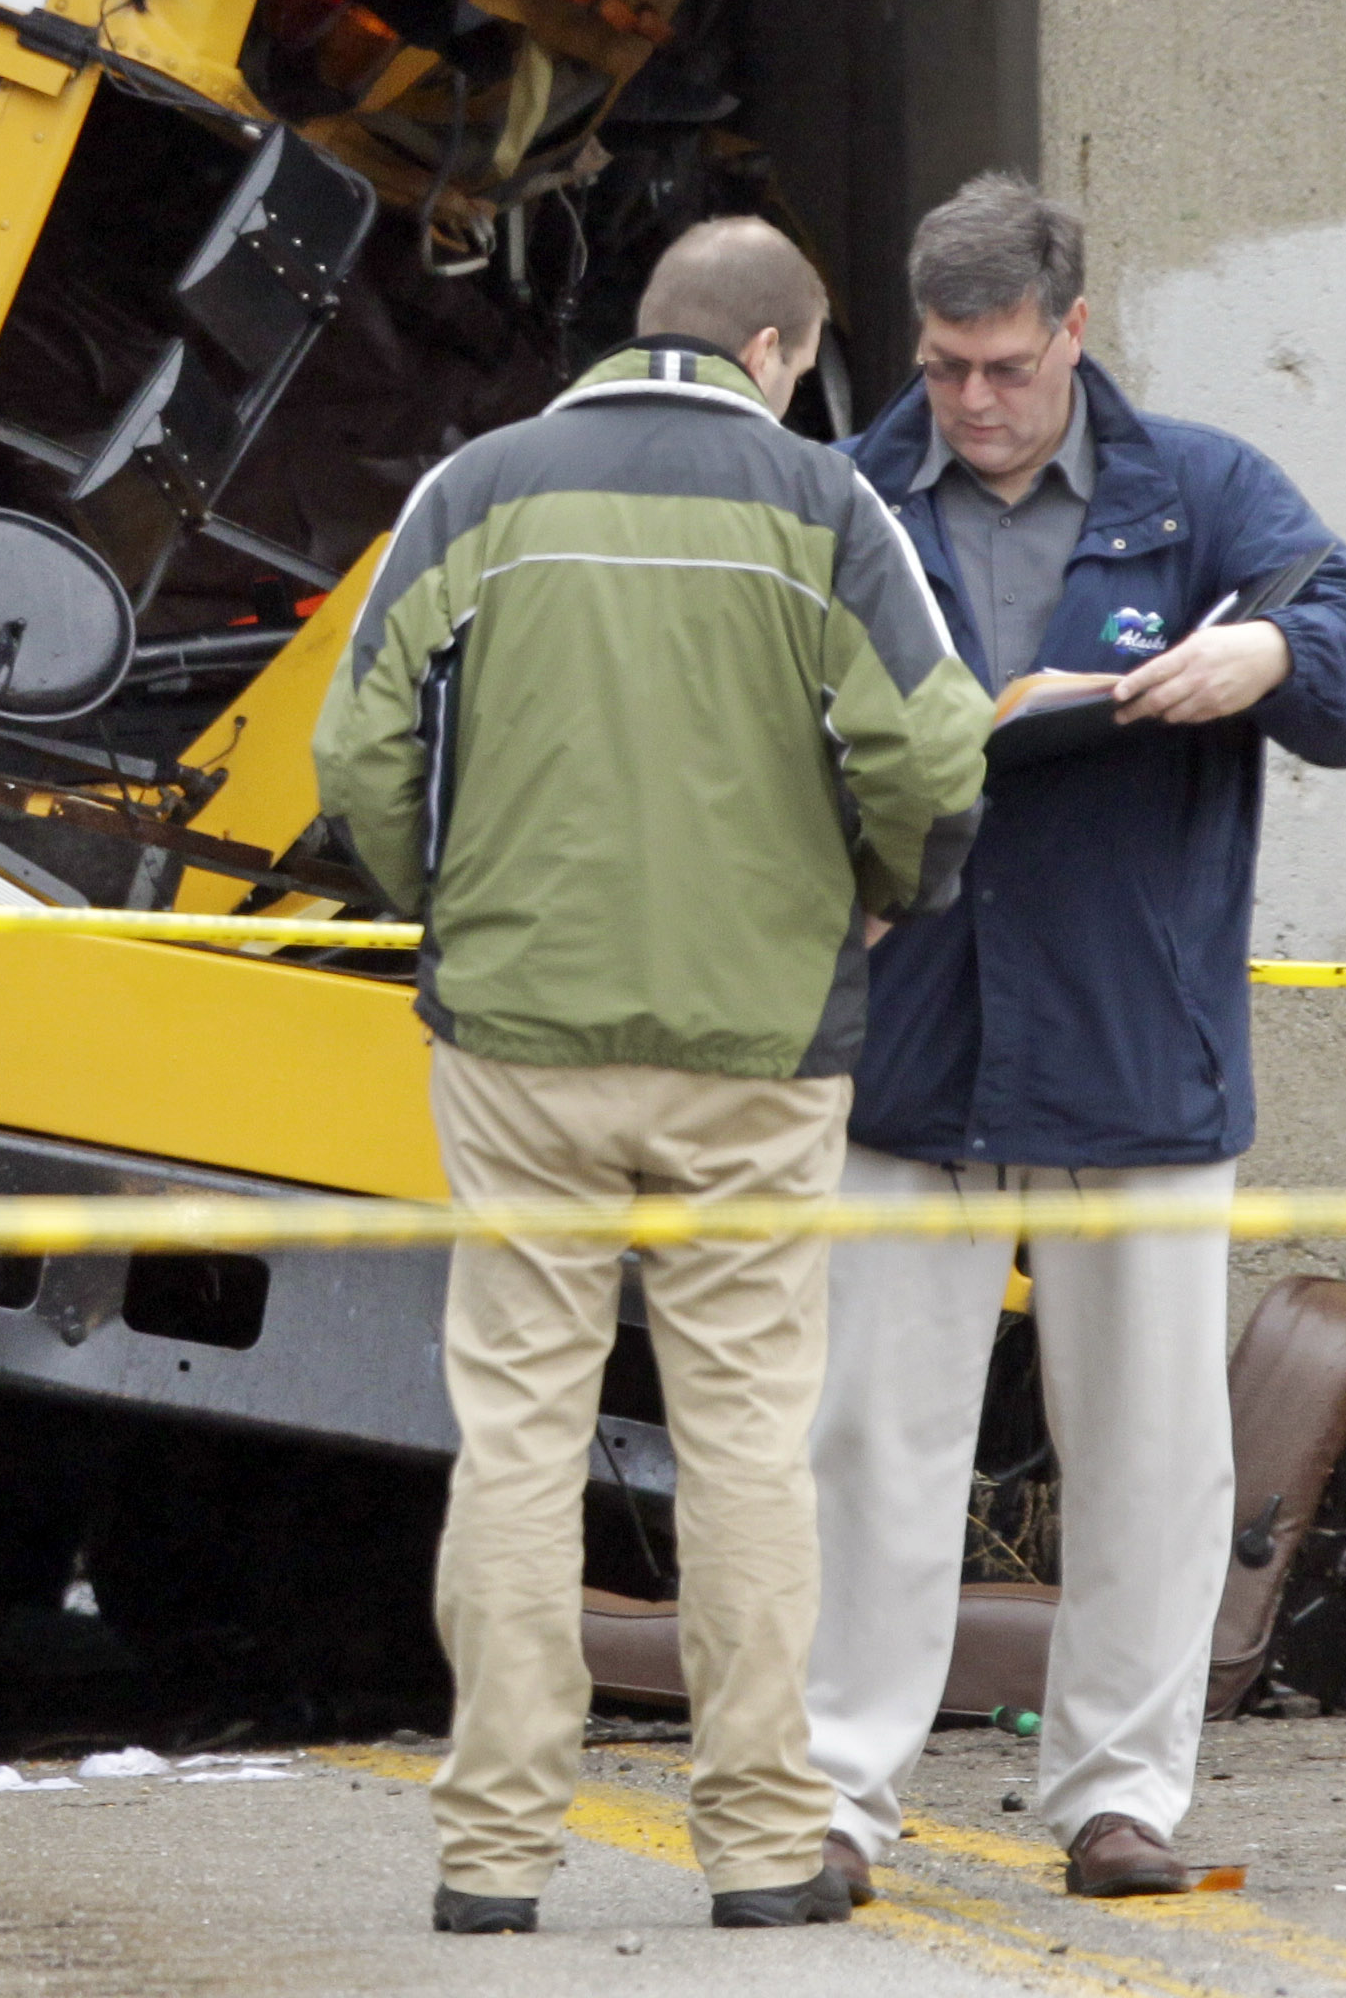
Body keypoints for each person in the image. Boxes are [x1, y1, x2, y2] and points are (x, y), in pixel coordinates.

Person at [315, 217, 989, 1936]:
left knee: (518, 1433)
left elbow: (357, 748)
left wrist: (443, 902)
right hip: (759, 1051)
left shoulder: (474, 491)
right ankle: (764, 1848)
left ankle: (492, 1859)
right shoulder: (832, 508)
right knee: (751, 1444)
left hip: (521, 1038)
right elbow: (931, 745)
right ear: (776, 352)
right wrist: (890, 890)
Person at [808, 177, 1346, 1902]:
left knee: (1148, 1448)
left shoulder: (1205, 489)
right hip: (906, 1041)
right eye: (941, 367)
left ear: (1074, 329)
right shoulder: (845, 498)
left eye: (1003, 364)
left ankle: (1120, 1797)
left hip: (1133, 1054)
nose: (972, 402)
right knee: (870, 1436)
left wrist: (1270, 654)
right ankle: (841, 1792)